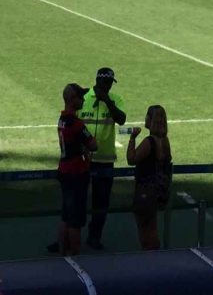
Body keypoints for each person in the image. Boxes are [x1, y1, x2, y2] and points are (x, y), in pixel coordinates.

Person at [81, 67, 127, 251]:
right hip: (83, 159)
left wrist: (108, 102)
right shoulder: (83, 98)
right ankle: (70, 234)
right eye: (105, 83)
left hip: (106, 161)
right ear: (97, 82)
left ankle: (94, 236)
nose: (107, 87)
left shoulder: (116, 99)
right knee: (77, 199)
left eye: (109, 84)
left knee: (101, 202)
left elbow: (121, 119)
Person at [56, 84, 98, 256]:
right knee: (76, 221)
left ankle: (63, 254)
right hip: (76, 174)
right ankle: (75, 257)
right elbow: (93, 145)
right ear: (73, 100)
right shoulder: (76, 123)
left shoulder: (62, 119)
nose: (83, 100)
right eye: (81, 97)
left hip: (64, 170)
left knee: (66, 217)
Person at [126, 104, 172, 251]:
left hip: (145, 191)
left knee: (144, 230)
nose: (145, 118)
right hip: (158, 190)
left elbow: (131, 159)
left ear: (152, 120)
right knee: (153, 227)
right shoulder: (165, 141)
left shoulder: (149, 141)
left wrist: (132, 138)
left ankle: (151, 260)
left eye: (147, 116)